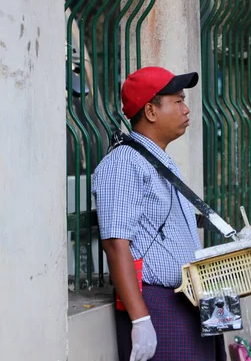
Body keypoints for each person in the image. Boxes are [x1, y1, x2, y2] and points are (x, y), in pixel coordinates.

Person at [92, 66, 226, 361]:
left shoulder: (157, 160)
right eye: (178, 101)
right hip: (158, 305)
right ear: (151, 111)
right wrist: (141, 320)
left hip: (187, 301)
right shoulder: (124, 164)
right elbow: (116, 244)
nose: (186, 108)